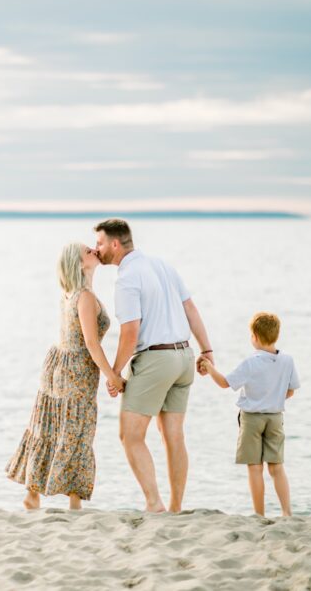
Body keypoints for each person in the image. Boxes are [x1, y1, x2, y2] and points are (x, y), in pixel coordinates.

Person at [93, 218, 213, 513]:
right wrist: (206, 349)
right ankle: (175, 508)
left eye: (99, 243)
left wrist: (116, 372)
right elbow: (191, 310)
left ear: (115, 244)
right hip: (184, 356)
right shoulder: (162, 265)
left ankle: (154, 503)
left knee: (130, 435)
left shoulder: (127, 278)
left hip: (157, 360)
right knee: (173, 436)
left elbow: (131, 331)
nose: (97, 249)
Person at [6, 242, 118, 510]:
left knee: (49, 426)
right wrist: (112, 376)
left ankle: (32, 494)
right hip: (76, 368)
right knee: (77, 430)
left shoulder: (69, 293)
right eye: (87, 251)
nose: (93, 251)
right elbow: (91, 343)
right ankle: (75, 502)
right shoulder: (86, 298)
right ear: (79, 264)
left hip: (58, 361)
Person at [199, 312, 300, 516]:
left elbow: (225, 383)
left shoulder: (251, 362)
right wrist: (274, 398)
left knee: (255, 468)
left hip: (252, 418)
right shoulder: (287, 361)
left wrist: (209, 368)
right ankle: (287, 513)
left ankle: (259, 514)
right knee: (276, 467)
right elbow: (290, 390)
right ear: (276, 335)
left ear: (254, 336)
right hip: (275, 418)